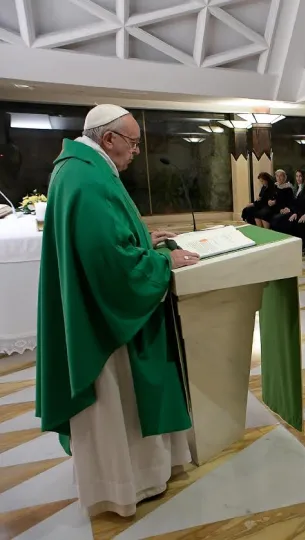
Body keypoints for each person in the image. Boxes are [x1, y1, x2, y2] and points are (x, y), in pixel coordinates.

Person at [36, 104, 199, 518]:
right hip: (104, 326)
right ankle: (131, 481)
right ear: (109, 139)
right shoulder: (87, 178)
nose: (136, 153)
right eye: (133, 143)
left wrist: (143, 237)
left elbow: (105, 236)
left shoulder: (81, 169)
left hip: (90, 309)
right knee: (119, 403)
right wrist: (162, 261)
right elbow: (110, 264)